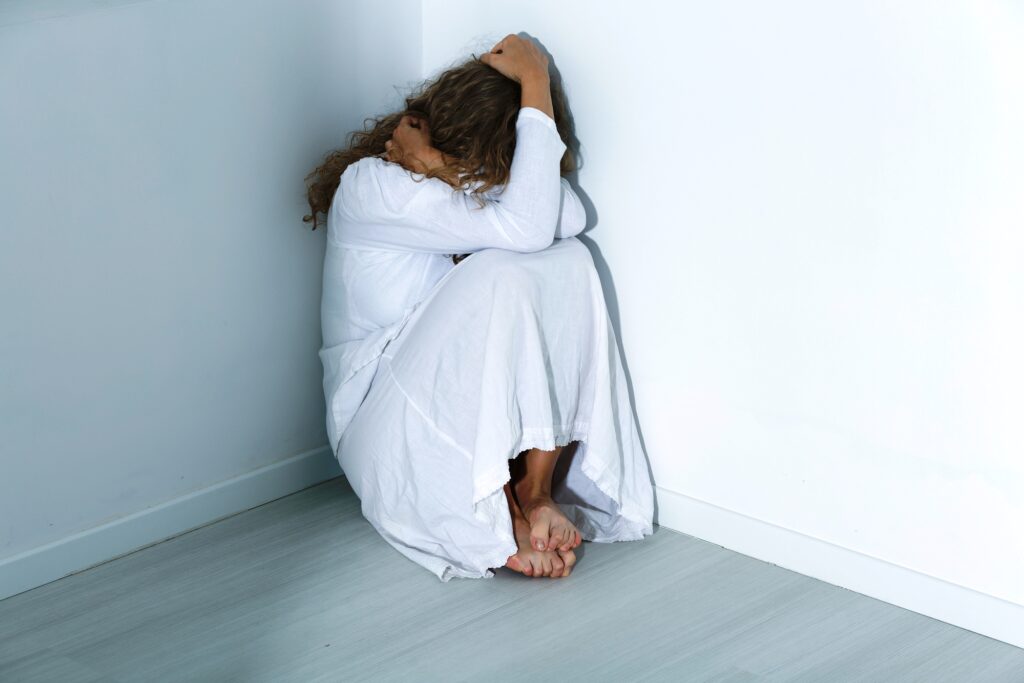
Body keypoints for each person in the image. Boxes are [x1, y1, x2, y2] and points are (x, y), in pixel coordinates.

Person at [303, 33, 655, 580]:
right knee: (501, 269)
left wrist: (444, 167)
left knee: (569, 260)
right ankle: (502, 513)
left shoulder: (449, 178)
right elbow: (530, 225)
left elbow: (565, 220)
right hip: (383, 425)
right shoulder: (374, 185)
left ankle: (534, 491)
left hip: (440, 406)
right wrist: (534, 82)